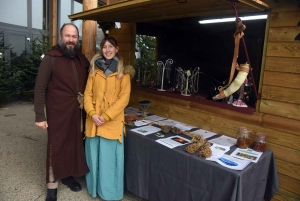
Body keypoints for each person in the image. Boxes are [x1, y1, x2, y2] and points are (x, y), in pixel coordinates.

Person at [34, 23, 90, 201]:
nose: (71, 40)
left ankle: (68, 176)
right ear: (60, 37)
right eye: (68, 36)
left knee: (74, 145)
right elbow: (40, 88)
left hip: (77, 113)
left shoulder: (82, 59)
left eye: (74, 36)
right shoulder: (50, 58)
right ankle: (52, 186)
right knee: (56, 147)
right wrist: (40, 116)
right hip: (58, 112)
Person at [83, 36, 135, 200]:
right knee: (93, 158)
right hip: (94, 122)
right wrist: (92, 114)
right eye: (104, 47)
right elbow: (87, 95)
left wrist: (105, 116)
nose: (107, 50)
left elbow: (123, 99)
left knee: (109, 162)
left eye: (111, 46)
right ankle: (94, 189)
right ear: (101, 49)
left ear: (117, 49)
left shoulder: (123, 72)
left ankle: (110, 193)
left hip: (111, 124)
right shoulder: (94, 70)